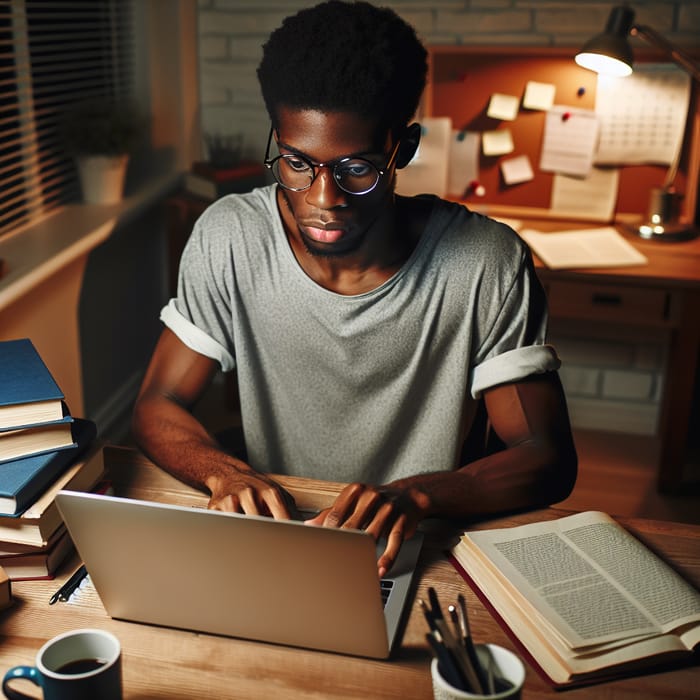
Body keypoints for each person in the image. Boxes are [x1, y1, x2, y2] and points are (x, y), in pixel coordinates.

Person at [131, 0, 577, 577]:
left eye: (357, 168)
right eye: (297, 163)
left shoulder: (485, 261)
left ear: (403, 150)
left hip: (415, 549)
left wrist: (417, 497)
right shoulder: (229, 236)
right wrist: (226, 472)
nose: (323, 199)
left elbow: (545, 457)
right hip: (283, 540)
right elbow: (155, 405)